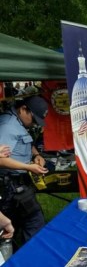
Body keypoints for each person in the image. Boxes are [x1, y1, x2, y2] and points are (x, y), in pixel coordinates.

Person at [0, 95, 49, 244]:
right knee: (33, 223)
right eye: (34, 120)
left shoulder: (18, 123)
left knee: (21, 226)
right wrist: (28, 167)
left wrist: (36, 155)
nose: (34, 124)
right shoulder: (7, 126)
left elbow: (25, 141)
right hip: (9, 186)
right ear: (23, 109)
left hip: (18, 185)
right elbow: (1, 159)